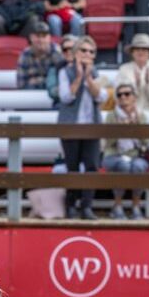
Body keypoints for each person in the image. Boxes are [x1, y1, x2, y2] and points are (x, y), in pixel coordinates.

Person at [57, 34, 105, 219]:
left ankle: (87, 206)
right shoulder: (65, 72)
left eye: (91, 52)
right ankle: (71, 205)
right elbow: (66, 97)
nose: (87, 54)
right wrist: (78, 77)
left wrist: (89, 79)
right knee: (73, 167)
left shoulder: (96, 73)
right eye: (84, 50)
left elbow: (101, 97)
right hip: (71, 126)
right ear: (76, 52)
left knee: (92, 166)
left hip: (91, 126)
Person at [103, 83, 149, 219]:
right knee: (123, 165)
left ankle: (136, 206)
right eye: (119, 95)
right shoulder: (111, 116)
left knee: (138, 166)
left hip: (135, 155)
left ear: (134, 97)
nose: (123, 97)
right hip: (114, 155)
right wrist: (121, 130)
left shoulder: (141, 116)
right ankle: (117, 206)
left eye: (127, 94)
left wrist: (136, 126)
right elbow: (108, 142)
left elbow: (146, 141)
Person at [115, 33, 149, 113]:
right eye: (137, 49)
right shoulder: (124, 69)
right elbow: (118, 97)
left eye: (144, 49)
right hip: (131, 114)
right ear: (132, 52)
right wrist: (134, 85)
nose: (140, 52)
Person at [16, 19, 63, 90]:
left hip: (53, 93)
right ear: (31, 38)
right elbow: (21, 85)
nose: (41, 40)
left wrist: (37, 81)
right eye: (37, 36)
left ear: (49, 38)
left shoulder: (57, 52)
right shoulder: (25, 55)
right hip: (30, 94)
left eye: (44, 36)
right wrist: (47, 80)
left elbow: (62, 82)